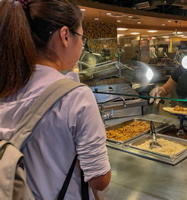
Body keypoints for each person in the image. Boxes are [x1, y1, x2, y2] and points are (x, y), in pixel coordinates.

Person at [0, 0, 111, 199]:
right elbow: (99, 180)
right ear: (65, 35)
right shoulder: (76, 96)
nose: (82, 45)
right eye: (81, 37)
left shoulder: (6, 87)